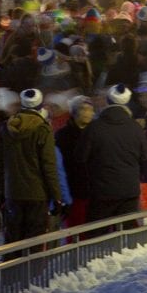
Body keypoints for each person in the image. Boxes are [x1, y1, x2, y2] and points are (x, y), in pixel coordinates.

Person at [0, 87, 62, 244]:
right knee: (34, 240)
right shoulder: (43, 129)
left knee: (13, 239)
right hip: (37, 194)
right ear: (40, 106)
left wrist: (3, 190)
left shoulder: (7, 128)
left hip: (13, 192)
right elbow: (49, 165)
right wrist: (56, 196)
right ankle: (31, 268)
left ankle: (11, 268)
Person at [83, 84, 147, 227]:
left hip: (102, 189)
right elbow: (144, 156)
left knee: (97, 237)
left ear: (108, 100)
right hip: (129, 190)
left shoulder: (94, 127)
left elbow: (80, 156)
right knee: (126, 236)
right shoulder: (135, 127)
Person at [55, 95, 94, 228]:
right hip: (73, 190)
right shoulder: (63, 135)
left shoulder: (96, 132)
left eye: (90, 109)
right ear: (74, 112)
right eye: (84, 109)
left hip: (94, 190)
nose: (88, 112)